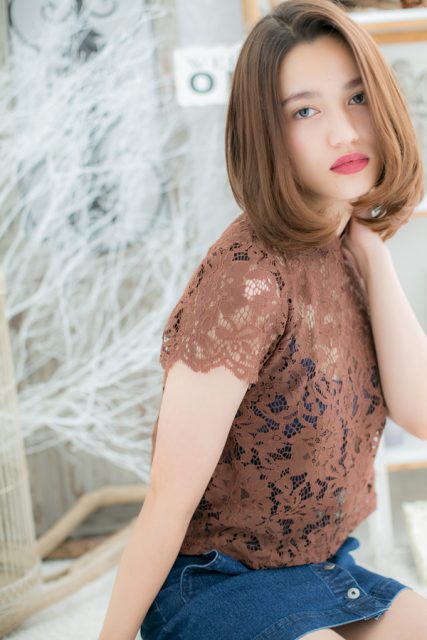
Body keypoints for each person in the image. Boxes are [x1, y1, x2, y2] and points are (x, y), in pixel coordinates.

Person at [99, 1, 427, 638]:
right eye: (305, 111)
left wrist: (373, 253)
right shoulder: (247, 280)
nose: (344, 132)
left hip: (320, 569)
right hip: (213, 582)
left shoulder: (344, 248)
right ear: (267, 133)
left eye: (356, 98)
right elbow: (168, 499)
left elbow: (419, 410)